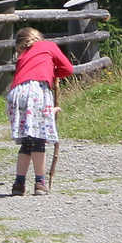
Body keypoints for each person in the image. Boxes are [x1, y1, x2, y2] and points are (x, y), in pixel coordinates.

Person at [8, 28, 72, 196]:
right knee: (38, 139)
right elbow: (68, 68)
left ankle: (19, 183)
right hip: (36, 91)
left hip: (16, 93)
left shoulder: (22, 57)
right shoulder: (48, 46)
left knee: (26, 141)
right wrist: (54, 73)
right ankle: (40, 182)